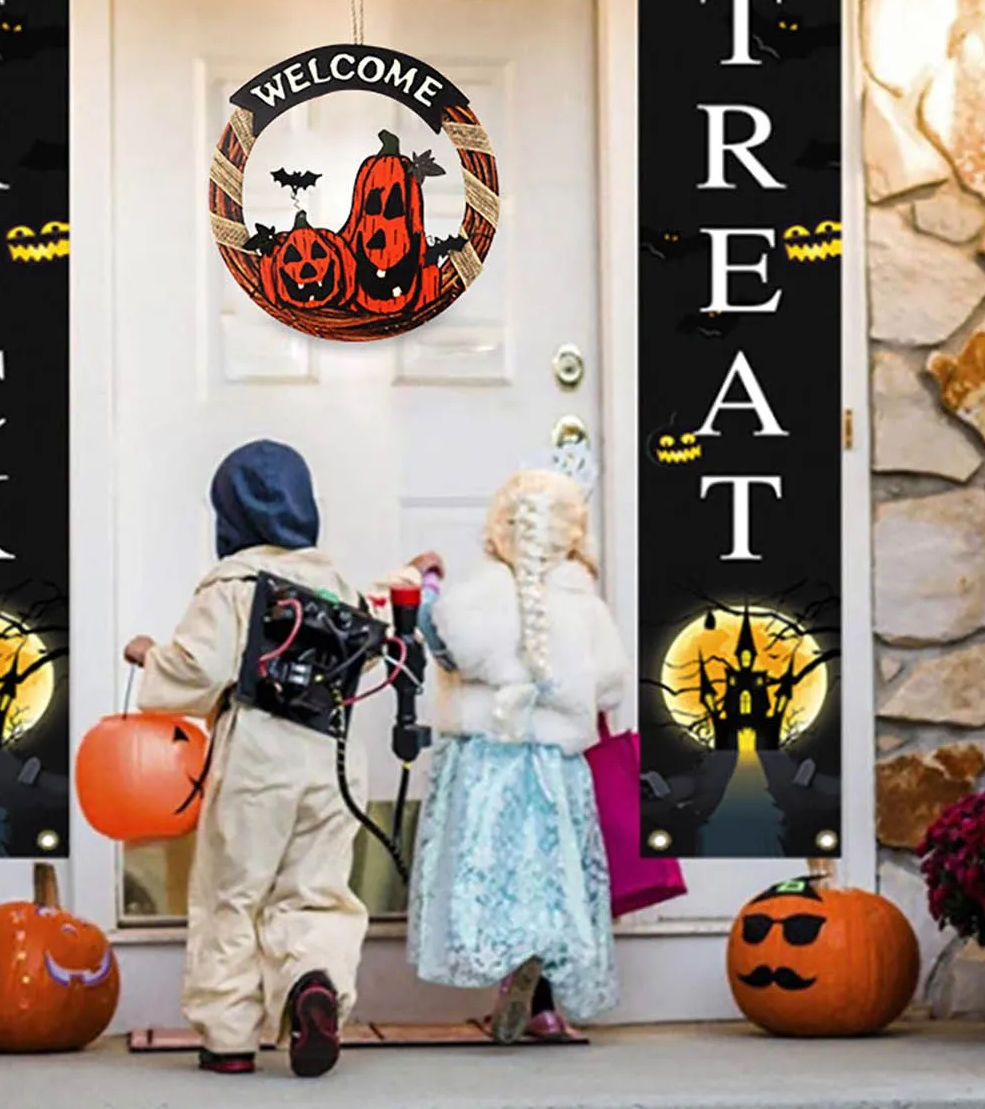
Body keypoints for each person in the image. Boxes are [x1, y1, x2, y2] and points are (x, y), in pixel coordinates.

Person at [122, 439, 397, 1079]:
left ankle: (229, 1038)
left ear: (229, 517)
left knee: (233, 893)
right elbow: (369, 662)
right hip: (333, 761)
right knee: (315, 890)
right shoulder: (340, 587)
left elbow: (196, 670)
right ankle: (313, 982)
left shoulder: (234, 585)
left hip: (257, 762)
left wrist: (148, 656)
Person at [403, 467, 627, 1042]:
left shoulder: (476, 598)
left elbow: (447, 646)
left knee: (499, 880)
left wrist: (428, 585)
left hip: (487, 763)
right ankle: (545, 1006)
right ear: (571, 538)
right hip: (555, 768)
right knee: (550, 883)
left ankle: (509, 979)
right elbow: (609, 686)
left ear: (496, 532)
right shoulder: (585, 605)